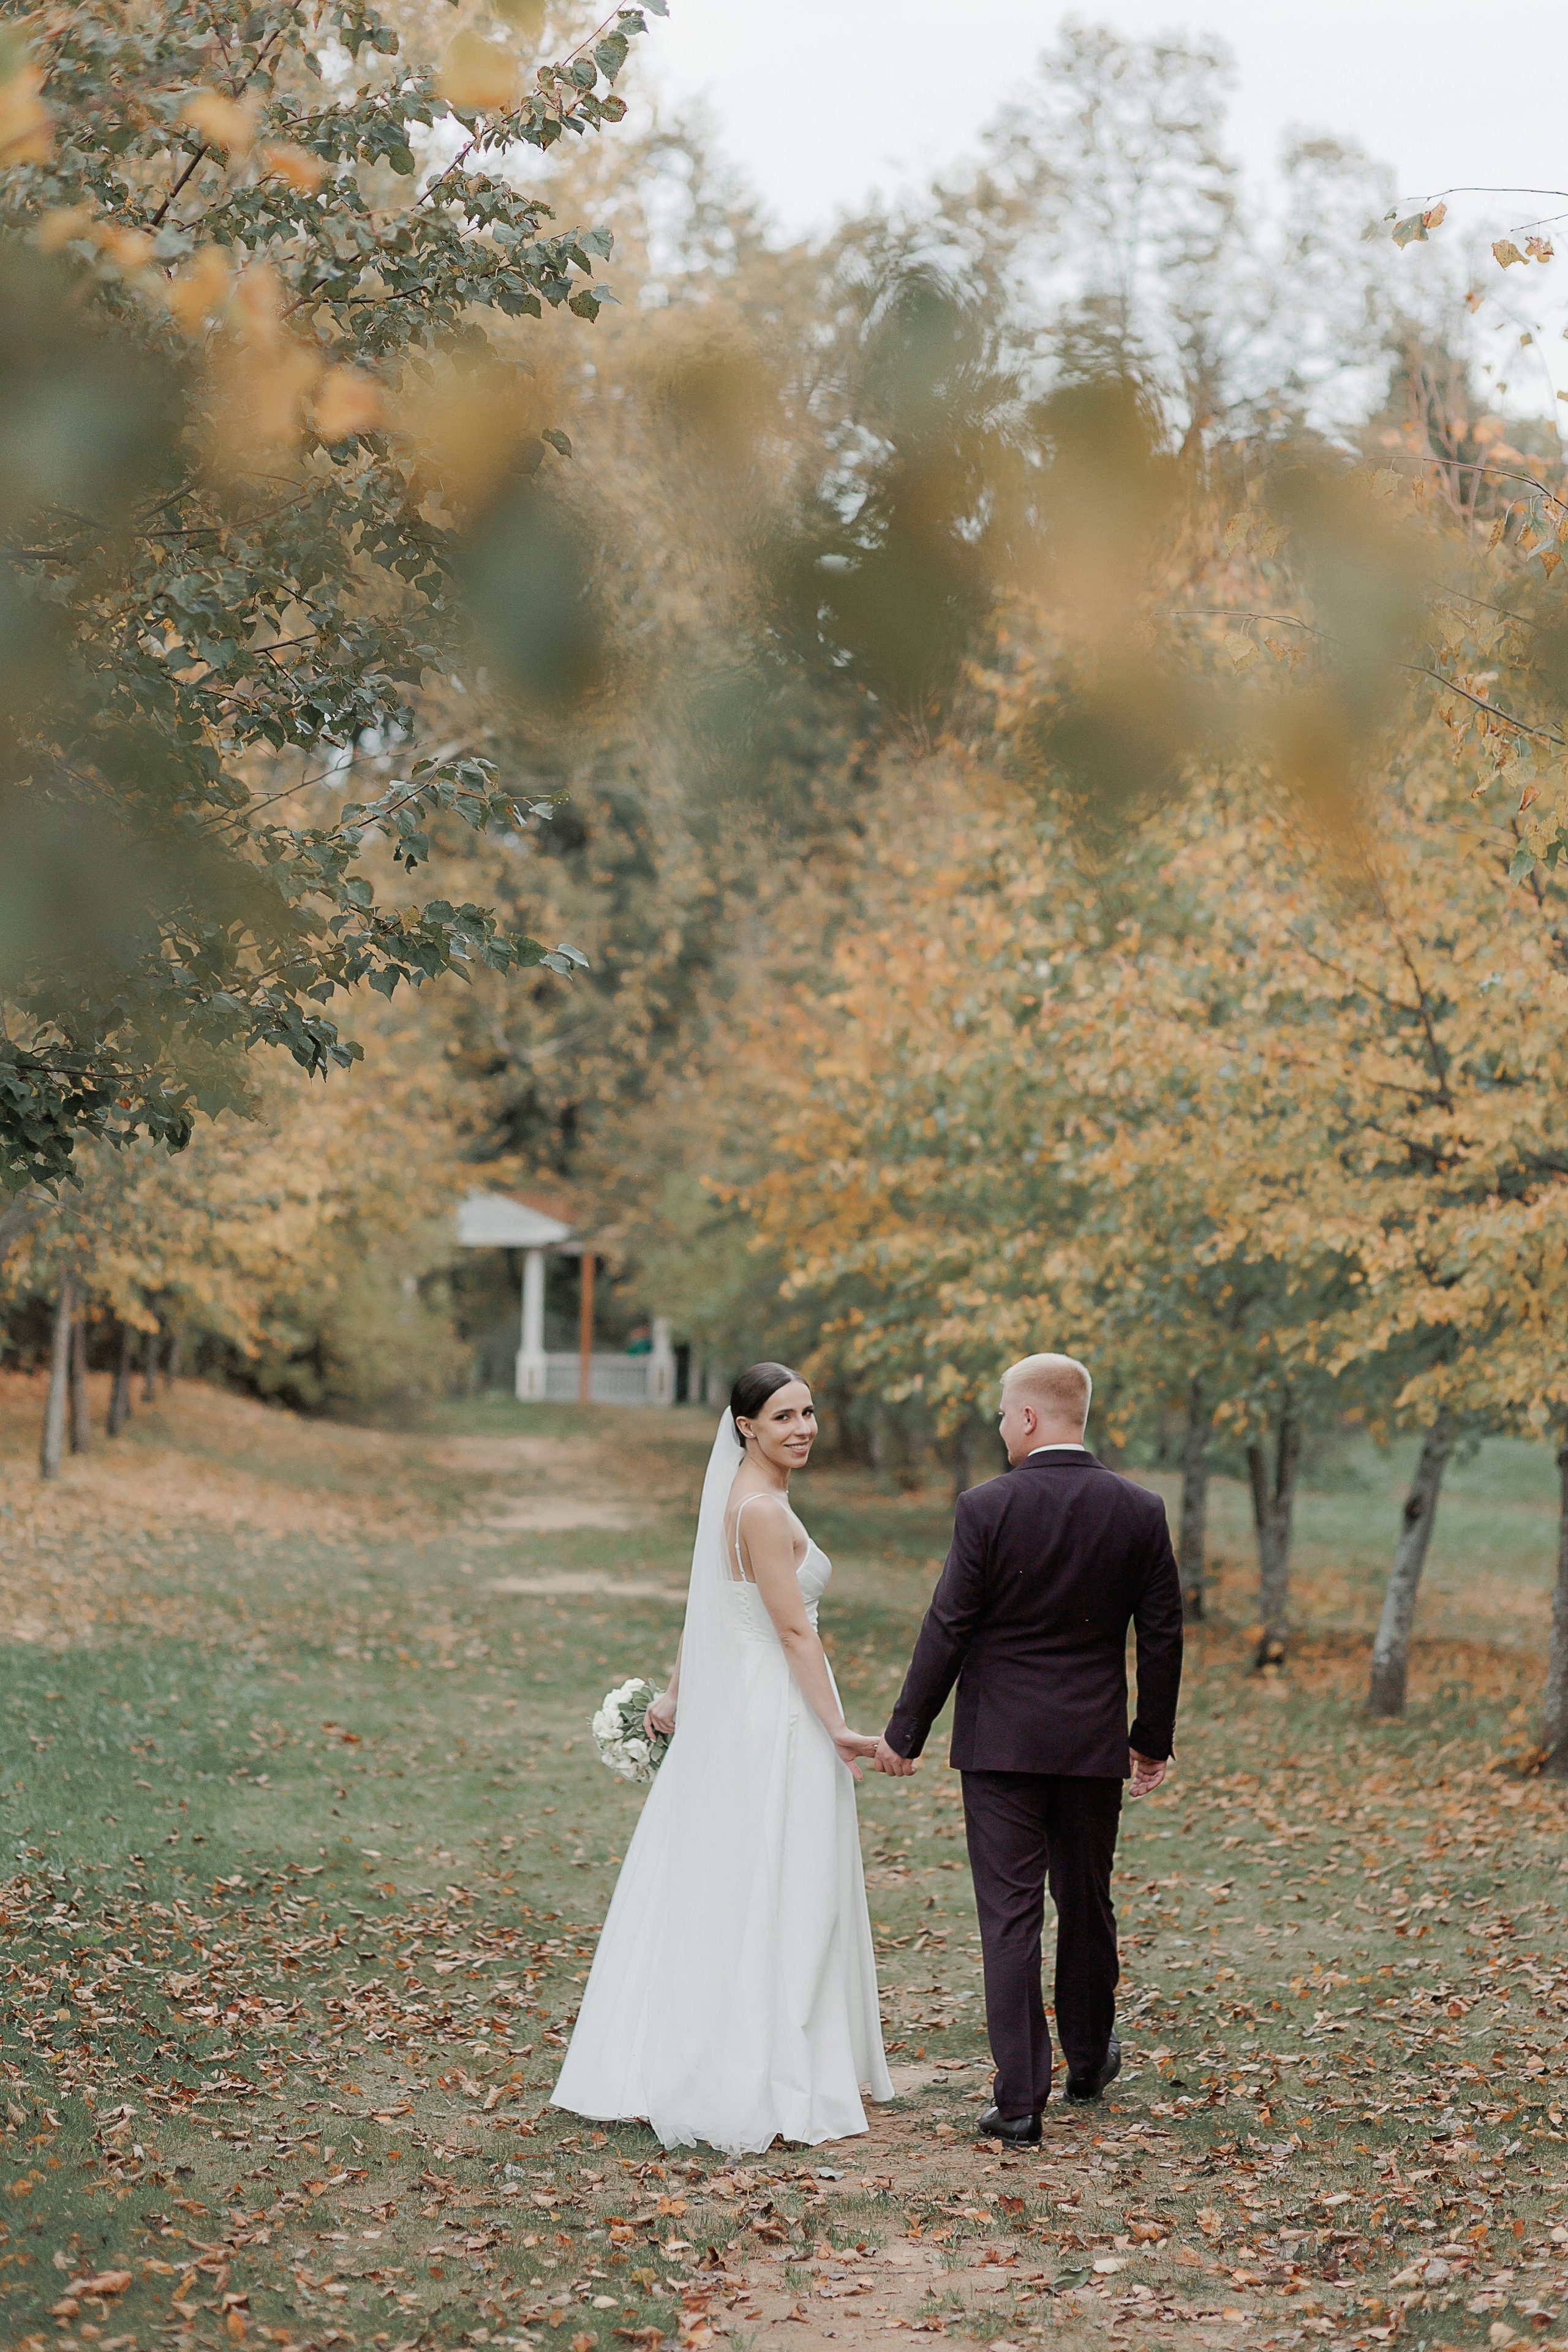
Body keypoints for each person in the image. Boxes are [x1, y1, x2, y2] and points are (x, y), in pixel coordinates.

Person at [551, 1363, 893, 2154]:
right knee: (781, 1867)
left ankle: (721, 2036)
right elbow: (792, 1632)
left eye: (809, 1412)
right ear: (745, 1425)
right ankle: (759, 2054)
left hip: (735, 1692)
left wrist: (676, 1690)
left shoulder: (737, 1493)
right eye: (783, 1417)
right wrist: (837, 1728)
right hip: (771, 1707)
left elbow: (708, 1605)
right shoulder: (762, 1509)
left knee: (730, 1867)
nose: (803, 1428)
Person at [875, 1352, 1183, 2144]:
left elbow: (948, 1625)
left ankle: (1019, 2102)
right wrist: (1150, 1741)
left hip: (1002, 1747)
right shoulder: (1139, 1510)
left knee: (1010, 1918)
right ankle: (1087, 2060)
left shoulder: (987, 1508)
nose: (1002, 1424)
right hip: (1089, 1748)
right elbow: (1162, 1634)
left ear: (1032, 1419)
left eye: (1007, 1412)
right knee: (1087, 1903)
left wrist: (906, 1733)